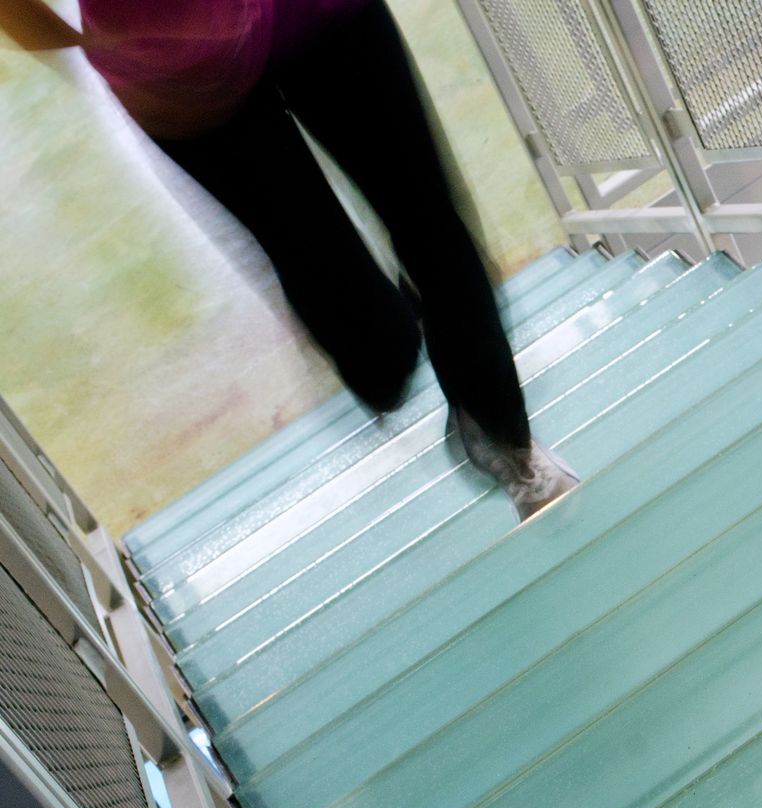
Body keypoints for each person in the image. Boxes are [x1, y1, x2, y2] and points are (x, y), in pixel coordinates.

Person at [0, 0, 578, 519]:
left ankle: (507, 443)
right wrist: (91, 46)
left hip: (310, 21)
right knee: (363, 317)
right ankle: (389, 347)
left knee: (428, 228)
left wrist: (89, 46)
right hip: (184, 73)